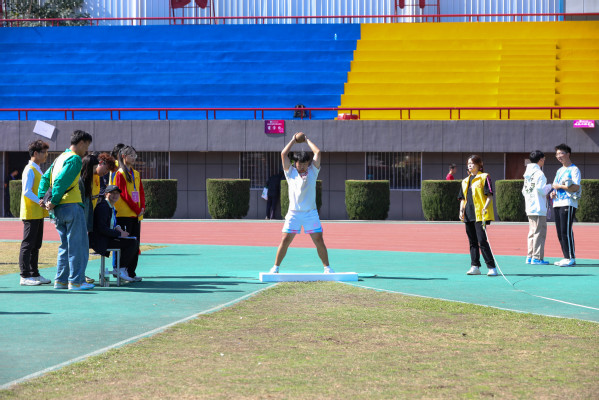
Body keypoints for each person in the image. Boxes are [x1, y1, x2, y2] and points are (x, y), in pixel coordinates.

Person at [38, 130, 94, 291]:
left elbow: (45, 178)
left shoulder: (59, 158)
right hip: (72, 206)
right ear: (81, 143)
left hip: (58, 210)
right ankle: (76, 281)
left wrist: (43, 198)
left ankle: (61, 281)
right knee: (78, 245)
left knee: (65, 246)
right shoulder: (75, 159)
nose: (87, 150)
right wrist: (53, 200)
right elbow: (61, 181)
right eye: (87, 146)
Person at [270, 132, 333, 274]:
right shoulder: (290, 172)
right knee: (285, 240)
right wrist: (293, 140)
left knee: (319, 240)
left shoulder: (313, 171)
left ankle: (327, 268)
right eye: (300, 163)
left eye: (305, 163)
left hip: (310, 213)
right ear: (295, 163)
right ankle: (275, 267)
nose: (303, 166)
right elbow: (283, 154)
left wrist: (306, 140)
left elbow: (317, 152)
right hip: (294, 213)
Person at [89, 185, 139, 283]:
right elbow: (102, 228)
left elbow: (111, 223)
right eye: (112, 193)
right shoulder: (103, 207)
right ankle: (120, 269)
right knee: (131, 243)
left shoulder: (111, 206)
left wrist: (118, 228)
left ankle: (121, 269)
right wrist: (118, 234)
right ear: (106, 194)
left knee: (133, 241)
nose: (115, 195)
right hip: (100, 240)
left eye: (117, 193)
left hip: (107, 237)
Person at [458, 155, 498, 277]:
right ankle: (475, 266)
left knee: (482, 241)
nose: (470, 165)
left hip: (480, 215)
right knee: (472, 242)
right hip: (468, 214)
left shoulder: (484, 177)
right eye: (468, 163)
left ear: (479, 165)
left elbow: (489, 195)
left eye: (472, 163)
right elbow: (462, 198)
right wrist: (461, 210)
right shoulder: (465, 181)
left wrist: (485, 207)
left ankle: (491, 267)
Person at [18, 140, 51, 286]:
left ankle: (34, 273)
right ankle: (24, 275)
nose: (46, 155)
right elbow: (26, 191)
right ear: (36, 153)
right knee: (28, 244)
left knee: (36, 244)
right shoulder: (29, 169)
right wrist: (40, 201)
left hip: (38, 212)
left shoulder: (37, 169)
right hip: (31, 212)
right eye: (44, 152)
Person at [113, 145, 145, 281]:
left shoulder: (136, 173)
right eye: (131, 155)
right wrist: (137, 209)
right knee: (126, 243)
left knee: (135, 243)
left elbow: (141, 191)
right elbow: (124, 195)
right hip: (124, 214)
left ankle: (131, 272)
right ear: (124, 157)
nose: (133, 158)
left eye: (134, 155)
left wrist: (142, 207)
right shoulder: (120, 174)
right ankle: (121, 268)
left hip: (136, 215)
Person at [550, 143, 582, 267]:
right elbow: (555, 186)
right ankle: (566, 257)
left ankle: (571, 258)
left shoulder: (574, 169)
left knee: (566, 231)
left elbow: (576, 187)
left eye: (561, 153)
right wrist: (553, 192)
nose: (558, 156)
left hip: (568, 203)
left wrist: (560, 186)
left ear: (568, 154)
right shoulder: (559, 170)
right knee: (560, 232)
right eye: (557, 154)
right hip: (557, 203)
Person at [522, 151, 552, 265]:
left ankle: (530, 256)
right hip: (539, 207)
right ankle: (537, 257)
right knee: (539, 233)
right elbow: (541, 189)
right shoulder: (539, 173)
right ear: (540, 159)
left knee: (532, 232)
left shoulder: (527, 174)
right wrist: (551, 186)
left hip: (530, 206)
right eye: (543, 159)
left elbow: (524, 191)